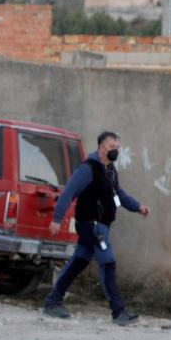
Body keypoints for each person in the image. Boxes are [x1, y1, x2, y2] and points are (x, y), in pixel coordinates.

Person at [42, 131, 150, 325]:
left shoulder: (110, 170)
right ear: (101, 148)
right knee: (107, 262)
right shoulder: (88, 168)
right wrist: (57, 219)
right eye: (111, 147)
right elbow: (69, 192)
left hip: (100, 225)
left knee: (79, 261)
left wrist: (137, 207)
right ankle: (118, 311)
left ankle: (52, 301)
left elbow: (118, 195)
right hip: (91, 225)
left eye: (117, 148)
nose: (115, 151)